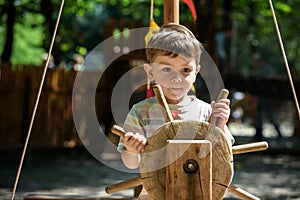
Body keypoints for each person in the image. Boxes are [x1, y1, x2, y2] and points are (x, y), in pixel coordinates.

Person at [117, 23, 234, 198]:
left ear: (196, 73)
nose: (176, 78)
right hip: (154, 195)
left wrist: (220, 124)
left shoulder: (207, 112)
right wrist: (132, 150)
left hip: (198, 194)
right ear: (150, 72)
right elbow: (131, 164)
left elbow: (224, 157)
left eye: (185, 70)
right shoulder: (141, 112)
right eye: (166, 69)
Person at [251, 52, 282, 140]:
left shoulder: (267, 69)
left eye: (256, 61)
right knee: (258, 114)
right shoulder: (255, 70)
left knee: (269, 114)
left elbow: (272, 79)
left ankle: (278, 132)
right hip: (259, 96)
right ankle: (259, 133)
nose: (254, 63)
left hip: (266, 96)